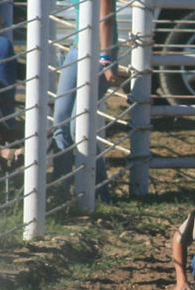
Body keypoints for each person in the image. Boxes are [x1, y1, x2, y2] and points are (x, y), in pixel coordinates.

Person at [51, 0, 121, 204]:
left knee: (76, 127)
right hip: (76, 50)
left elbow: (106, 19)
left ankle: (99, 191)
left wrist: (106, 60)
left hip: (99, 55)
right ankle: (60, 189)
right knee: (61, 122)